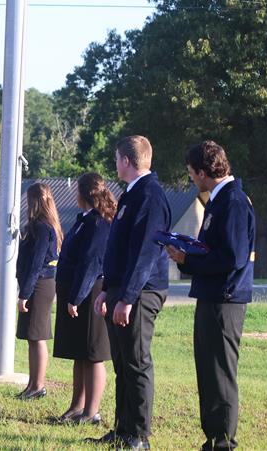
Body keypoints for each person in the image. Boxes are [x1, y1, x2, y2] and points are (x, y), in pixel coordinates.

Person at [166, 141, 255, 451]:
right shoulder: (218, 200)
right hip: (212, 295)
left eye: (192, 173)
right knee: (208, 370)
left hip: (225, 300)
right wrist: (189, 252)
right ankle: (213, 438)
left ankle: (224, 443)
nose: (191, 179)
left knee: (220, 373)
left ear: (203, 172)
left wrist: (188, 261)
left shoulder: (233, 201)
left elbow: (233, 257)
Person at [92, 135, 171, 449]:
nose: (115, 164)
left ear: (126, 160)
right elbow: (119, 250)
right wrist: (107, 290)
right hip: (121, 289)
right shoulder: (131, 194)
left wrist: (127, 298)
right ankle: (122, 430)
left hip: (141, 291)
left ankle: (138, 436)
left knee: (136, 362)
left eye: (116, 159)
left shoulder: (150, 196)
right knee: (122, 362)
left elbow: (145, 253)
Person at [53, 173, 115, 424]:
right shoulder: (85, 219)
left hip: (90, 291)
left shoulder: (99, 223)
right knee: (79, 352)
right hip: (76, 289)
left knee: (92, 353)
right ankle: (76, 407)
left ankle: (92, 411)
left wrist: (76, 297)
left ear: (83, 193)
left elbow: (91, 262)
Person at [15, 183, 62, 400]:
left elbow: (36, 263)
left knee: (37, 336)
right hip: (36, 282)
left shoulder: (42, 227)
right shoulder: (38, 225)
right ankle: (32, 384)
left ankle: (38, 386)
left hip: (40, 284)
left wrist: (24, 294)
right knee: (31, 337)